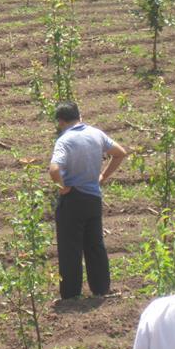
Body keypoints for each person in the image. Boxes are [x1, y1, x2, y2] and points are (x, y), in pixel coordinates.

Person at [48, 101, 126, 299]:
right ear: (79, 115)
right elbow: (120, 153)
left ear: (60, 121)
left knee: (70, 249)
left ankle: (71, 294)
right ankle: (101, 289)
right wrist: (102, 177)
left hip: (73, 199)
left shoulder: (64, 140)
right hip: (93, 199)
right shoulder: (96, 134)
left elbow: (54, 169)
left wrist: (63, 188)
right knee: (95, 245)